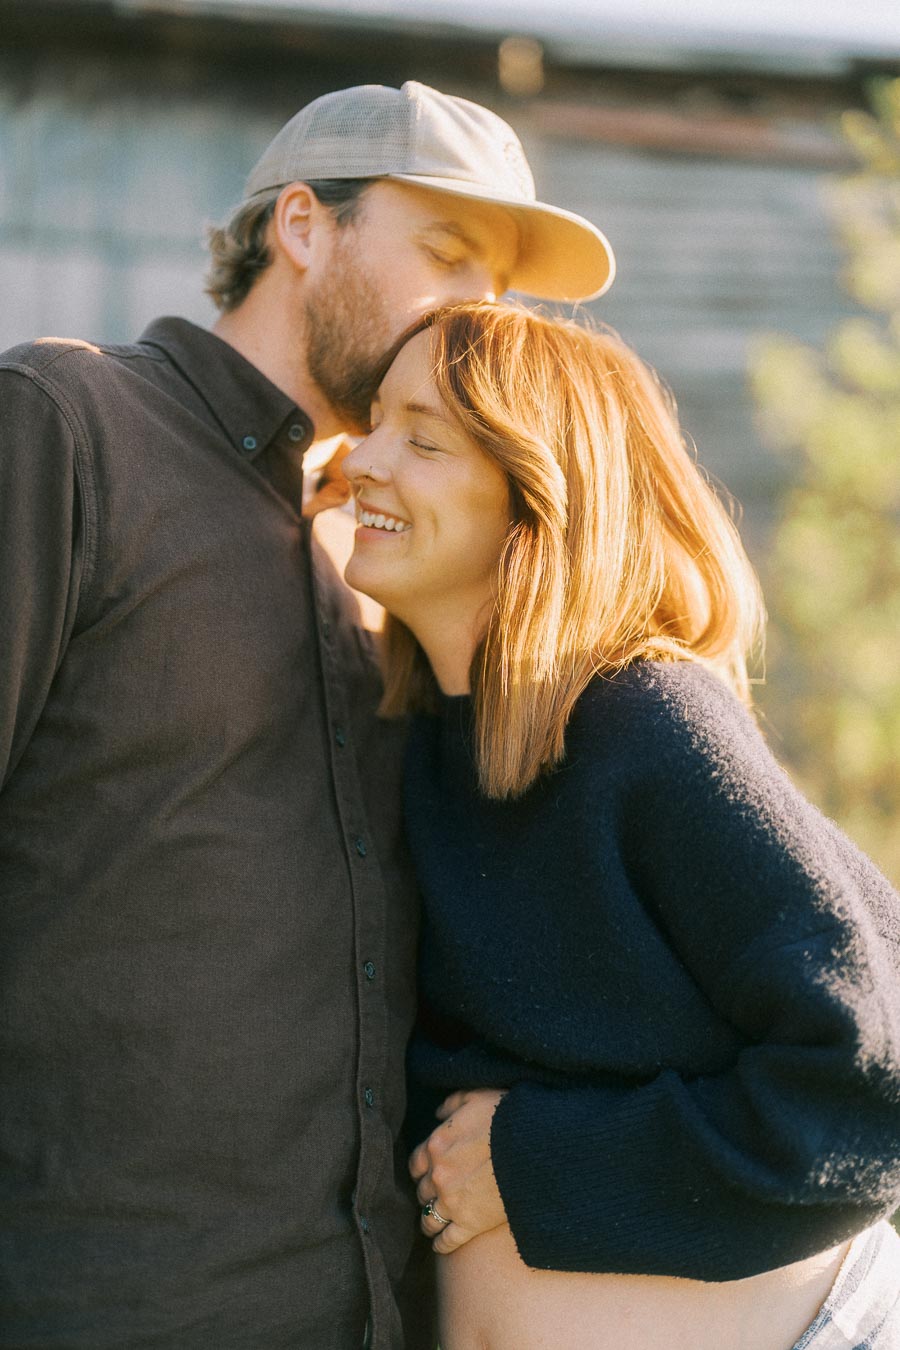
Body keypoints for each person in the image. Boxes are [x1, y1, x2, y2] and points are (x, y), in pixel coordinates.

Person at [0, 84, 614, 1349]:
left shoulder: (392, 552)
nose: (472, 311)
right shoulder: (69, 425)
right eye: (446, 254)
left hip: (362, 1312)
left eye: (496, 285)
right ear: (301, 227)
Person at [340, 301, 900, 1350]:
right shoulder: (418, 750)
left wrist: (540, 1161)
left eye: (420, 437)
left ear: (537, 497)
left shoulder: (643, 724)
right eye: (372, 421)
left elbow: (875, 1076)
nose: (358, 462)